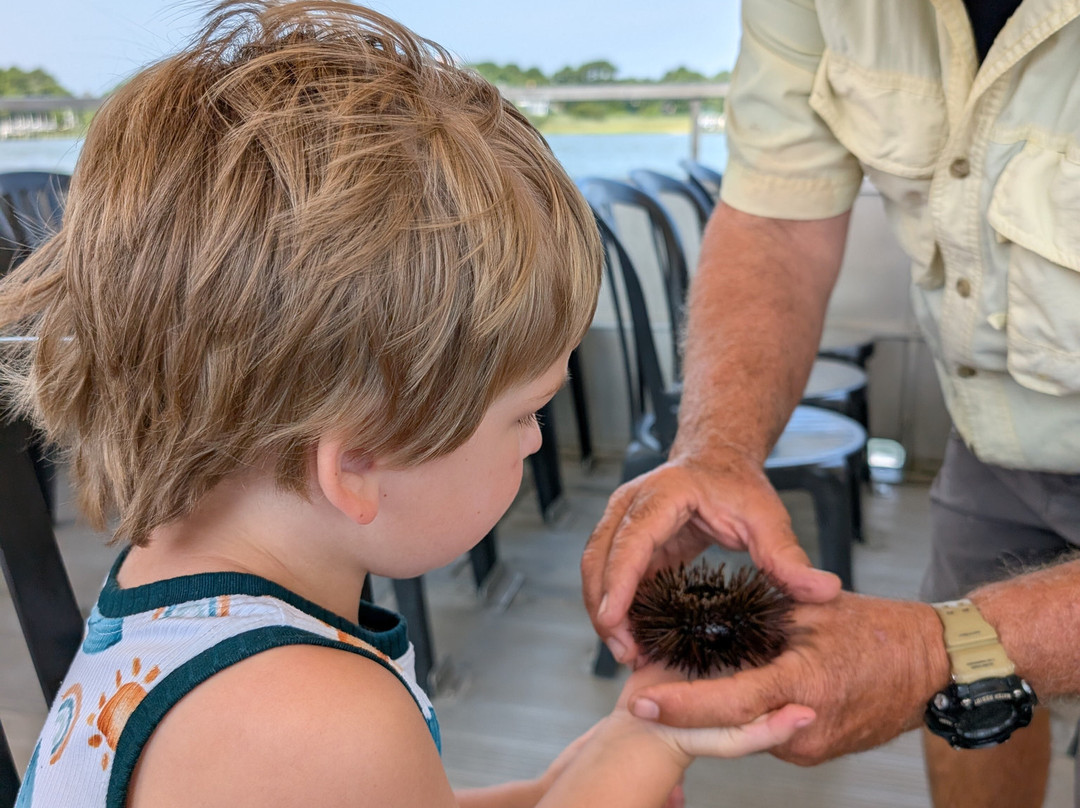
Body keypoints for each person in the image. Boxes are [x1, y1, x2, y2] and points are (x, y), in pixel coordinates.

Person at [0, 3, 815, 806]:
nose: (535, 445)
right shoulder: (311, 721)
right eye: (527, 414)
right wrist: (644, 749)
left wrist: (558, 784)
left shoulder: (174, 595)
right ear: (357, 460)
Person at [581, 2, 1080, 807]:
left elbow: (947, 652)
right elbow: (778, 219)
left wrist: (935, 650)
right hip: (993, 425)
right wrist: (719, 447)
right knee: (978, 704)